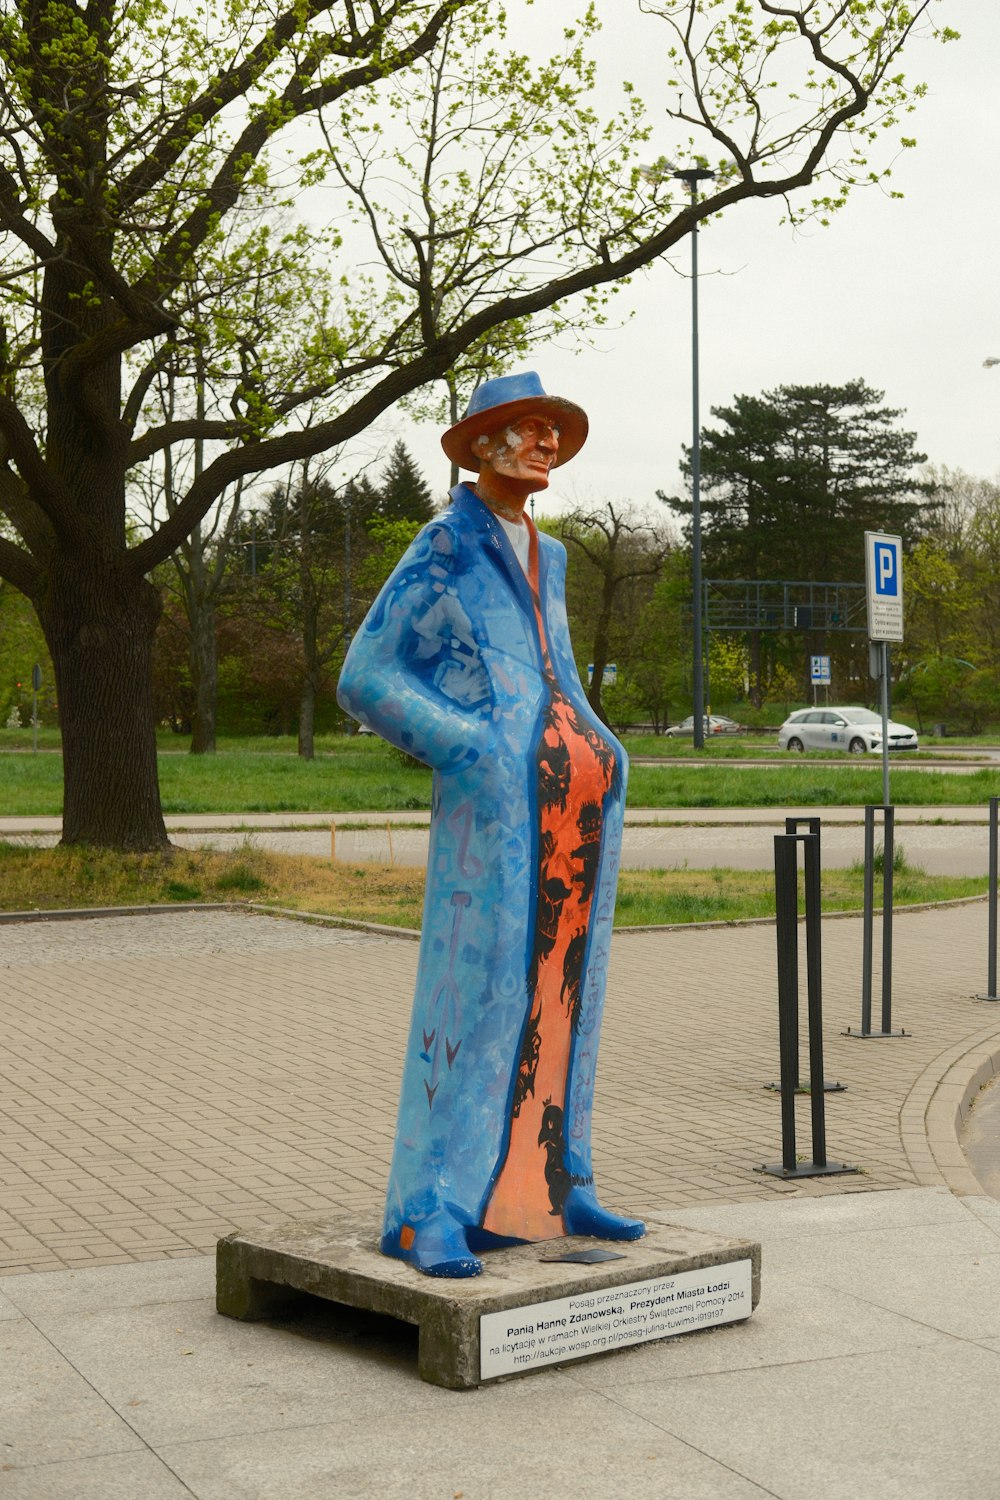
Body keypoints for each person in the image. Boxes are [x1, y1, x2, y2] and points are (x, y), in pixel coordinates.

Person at [337, 371, 644, 1276]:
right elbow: (367, 677)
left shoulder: (544, 552)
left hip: (578, 798)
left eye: (552, 431)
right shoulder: (446, 542)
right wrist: (471, 748)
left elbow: (558, 674)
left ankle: (557, 1180)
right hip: (499, 804)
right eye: (525, 430)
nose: (544, 444)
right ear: (480, 446)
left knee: (567, 993)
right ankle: (430, 1204)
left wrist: (604, 743)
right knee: (479, 995)